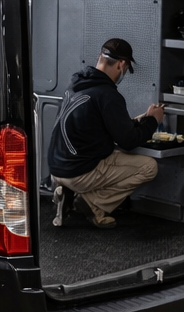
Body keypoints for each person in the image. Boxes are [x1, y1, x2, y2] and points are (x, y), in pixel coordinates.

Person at [48, 38, 167, 229]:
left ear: (99, 57)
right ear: (121, 65)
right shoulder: (108, 95)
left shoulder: (77, 82)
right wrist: (153, 121)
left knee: (112, 155)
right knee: (148, 167)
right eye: (126, 69)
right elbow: (128, 141)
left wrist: (143, 117)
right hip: (79, 173)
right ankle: (92, 203)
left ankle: (67, 193)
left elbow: (100, 124)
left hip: (56, 169)